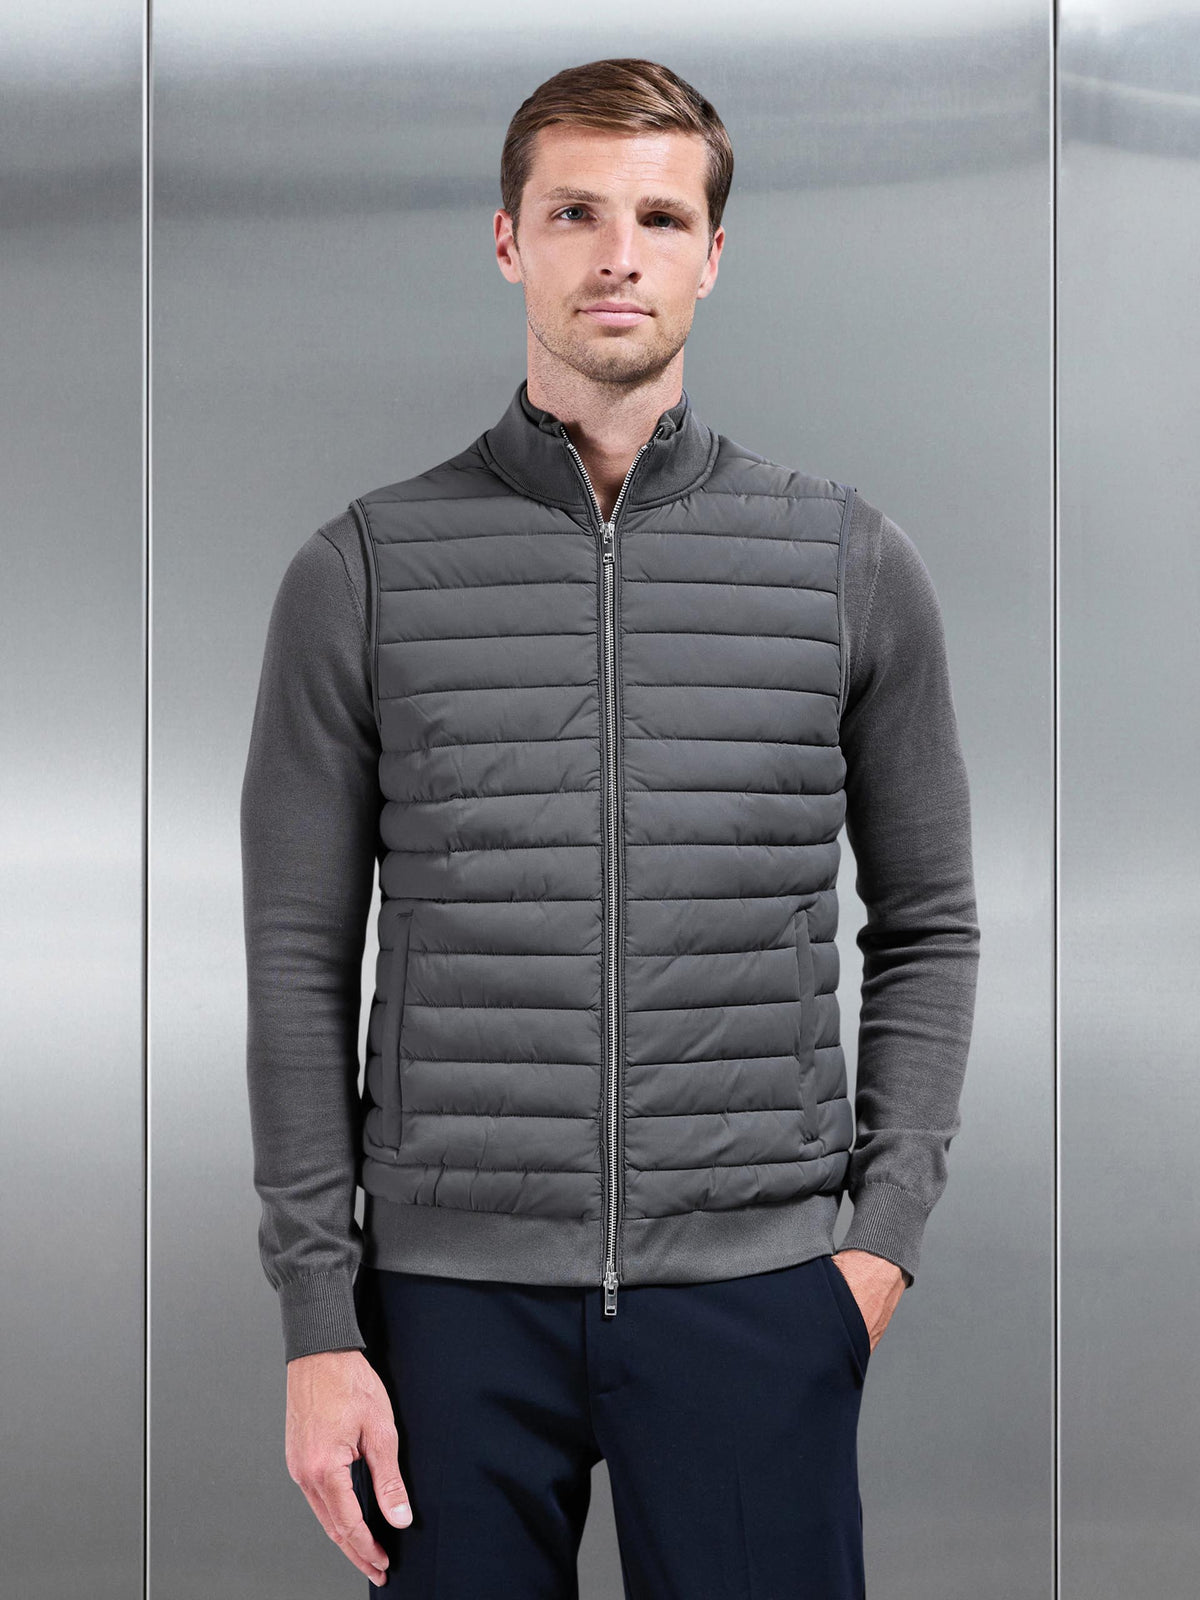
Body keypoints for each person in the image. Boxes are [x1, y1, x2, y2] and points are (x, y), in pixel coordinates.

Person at [240, 55, 980, 1599]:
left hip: (758, 1296)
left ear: (714, 253)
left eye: (660, 217)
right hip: (444, 1310)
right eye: (575, 212)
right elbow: (298, 959)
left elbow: (928, 925)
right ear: (510, 240)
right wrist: (318, 1320)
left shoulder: (845, 564)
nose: (617, 255)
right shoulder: (362, 572)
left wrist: (878, 1243)